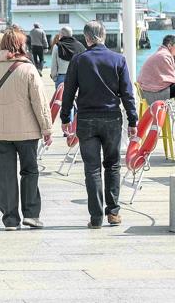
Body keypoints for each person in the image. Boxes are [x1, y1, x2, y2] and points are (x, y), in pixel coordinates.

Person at [60, 21, 138, 229]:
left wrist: (65, 117)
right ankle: (113, 213)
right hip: (112, 118)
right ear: (104, 35)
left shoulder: (79, 60)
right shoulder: (118, 59)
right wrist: (133, 120)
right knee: (112, 166)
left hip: (86, 119)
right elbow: (128, 94)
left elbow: (68, 91)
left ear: (86, 38)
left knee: (92, 169)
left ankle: (96, 217)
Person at [0, 28, 53, 230]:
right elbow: (40, 102)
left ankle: (10, 218)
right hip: (26, 130)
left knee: (5, 174)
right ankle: (31, 214)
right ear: (21, 45)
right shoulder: (28, 69)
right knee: (29, 170)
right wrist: (46, 128)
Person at [138, 34, 175, 104]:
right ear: (170, 46)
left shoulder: (160, 53)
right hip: (152, 95)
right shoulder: (164, 56)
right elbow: (171, 79)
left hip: (147, 92)